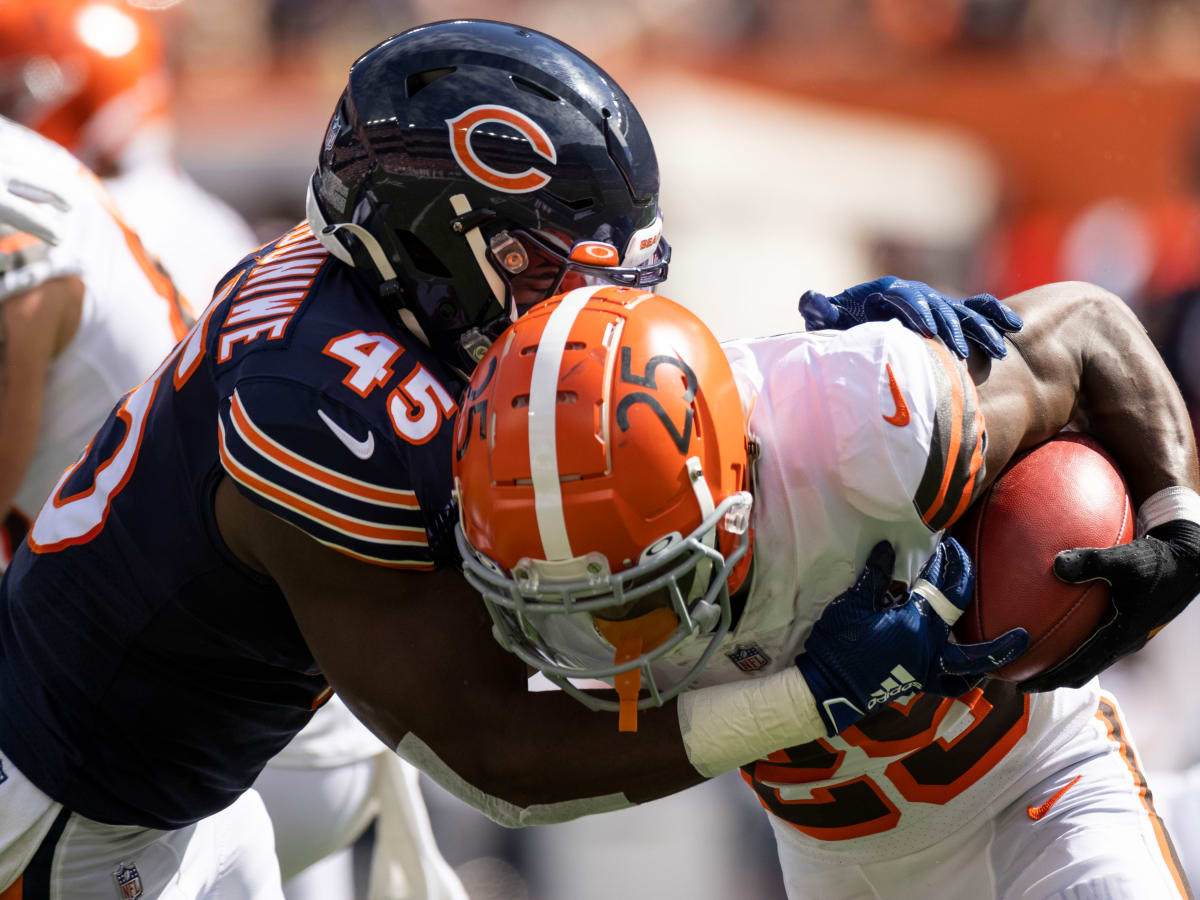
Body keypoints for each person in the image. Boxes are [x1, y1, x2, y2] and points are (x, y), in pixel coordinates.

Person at [0, 19, 1022, 898]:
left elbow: (589, 401)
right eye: (545, 267)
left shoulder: (370, 289)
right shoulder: (325, 414)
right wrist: (813, 696)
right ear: (434, 242)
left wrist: (828, 363)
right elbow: (500, 760)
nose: (581, 308)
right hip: (70, 824)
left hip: (190, 792)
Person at [452, 280, 1200, 897]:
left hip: (1035, 786)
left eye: (640, 587)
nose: (613, 631)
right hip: (843, 869)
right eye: (577, 606)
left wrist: (1180, 524)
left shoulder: (868, 422)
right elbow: (514, 770)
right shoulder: (532, 533)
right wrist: (810, 696)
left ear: (732, 490)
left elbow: (1090, 328)